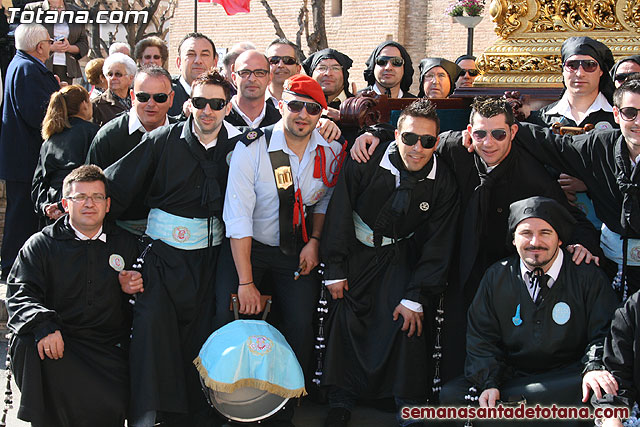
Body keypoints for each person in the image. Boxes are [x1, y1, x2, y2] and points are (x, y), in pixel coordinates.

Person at [350, 96, 602, 384]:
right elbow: (413, 138)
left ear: (513, 133)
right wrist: (374, 132)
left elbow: (565, 217)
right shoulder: (453, 146)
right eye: (480, 133)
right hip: (454, 262)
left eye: (498, 134)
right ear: (469, 132)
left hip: (506, 271)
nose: (488, 143)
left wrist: (584, 244)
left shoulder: (532, 175)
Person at [104, 69, 241, 427]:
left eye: (216, 103)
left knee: (202, 337)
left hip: (211, 260)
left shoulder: (242, 145)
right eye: (199, 102)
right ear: (188, 104)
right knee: (151, 335)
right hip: (162, 259)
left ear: (228, 107)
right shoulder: (162, 140)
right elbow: (114, 186)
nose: (207, 111)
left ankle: (198, 416)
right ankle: (146, 417)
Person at [320, 98, 459, 427]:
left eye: (427, 141)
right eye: (410, 138)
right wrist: (336, 267)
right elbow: (340, 209)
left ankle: (406, 401)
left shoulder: (444, 182)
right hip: (356, 250)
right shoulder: (366, 159)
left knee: (407, 318)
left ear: (436, 143)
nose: (417, 148)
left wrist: (417, 294)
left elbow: (440, 242)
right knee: (346, 317)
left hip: (399, 255)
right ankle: (340, 399)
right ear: (396, 135)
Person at [222, 74, 347, 425]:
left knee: (299, 326)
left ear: (322, 113)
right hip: (250, 248)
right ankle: (234, 405)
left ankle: (284, 407)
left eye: (312, 108)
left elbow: (325, 201)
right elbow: (239, 218)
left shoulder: (331, 150)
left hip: (296, 249)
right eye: (295, 105)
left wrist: (315, 242)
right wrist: (246, 282)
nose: (302, 114)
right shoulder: (253, 147)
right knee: (234, 320)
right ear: (281, 105)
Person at [439, 196, 618, 427]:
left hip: (569, 376)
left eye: (545, 232)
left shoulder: (586, 276)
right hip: (512, 377)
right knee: (452, 396)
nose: (535, 242)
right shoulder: (496, 277)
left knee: (599, 388)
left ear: (560, 238)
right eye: (525, 233)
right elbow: (481, 337)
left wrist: (593, 366)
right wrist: (489, 381)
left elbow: (605, 331)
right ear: (513, 239)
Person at [7, 164, 143, 427]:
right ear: (66, 204)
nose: (89, 204)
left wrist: (135, 287)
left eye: (97, 197)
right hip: (60, 344)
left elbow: (148, 299)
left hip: (107, 352)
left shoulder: (127, 244)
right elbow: (20, 292)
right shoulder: (41, 245)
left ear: (108, 204)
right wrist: (44, 325)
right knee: (26, 339)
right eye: (80, 197)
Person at [509, 79, 640, 298]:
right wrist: (501, 128)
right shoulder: (599, 145)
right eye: (630, 112)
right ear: (616, 115)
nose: (637, 121)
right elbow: (552, 145)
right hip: (613, 264)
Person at [0, 24, 60, 281]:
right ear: (39, 46)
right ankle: (14, 268)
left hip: (21, 158)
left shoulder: (22, 65)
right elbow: (38, 114)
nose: (51, 45)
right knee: (21, 217)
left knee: (20, 214)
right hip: (25, 159)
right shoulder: (28, 70)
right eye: (49, 41)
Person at [87, 65, 177, 236]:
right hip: (118, 233)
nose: (151, 104)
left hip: (170, 236)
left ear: (171, 98)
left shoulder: (180, 134)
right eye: (143, 97)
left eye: (159, 97)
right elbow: (91, 188)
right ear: (132, 97)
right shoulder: (109, 136)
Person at [32, 85, 97, 227]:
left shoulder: (50, 138)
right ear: (84, 104)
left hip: (52, 203)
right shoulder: (93, 133)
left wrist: (46, 207)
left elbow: (39, 181)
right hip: (81, 203)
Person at [23, 0, 89, 85]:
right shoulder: (33, 9)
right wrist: (50, 47)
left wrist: (68, 48)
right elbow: (26, 39)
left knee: (63, 97)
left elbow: (83, 44)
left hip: (66, 69)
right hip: (40, 66)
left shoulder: (77, 12)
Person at [226, 49, 281, 129]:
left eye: (260, 73)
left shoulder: (280, 122)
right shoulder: (219, 119)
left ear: (270, 78)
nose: (252, 79)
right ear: (234, 78)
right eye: (245, 72)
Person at [168, 32, 218, 116]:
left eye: (204, 55)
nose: (198, 60)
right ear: (179, 62)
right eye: (191, 54)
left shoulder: (223, 96)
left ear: (215, 62)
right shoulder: (164, 96)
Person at [303, 47, 354, 113]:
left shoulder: (359, 108)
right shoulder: (299, 106)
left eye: (335, 68)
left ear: (344, 75)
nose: (328, 73)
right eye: (322, 68)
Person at [92, 52, 136, 127]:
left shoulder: (139, 101)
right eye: (110, 74)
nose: (113, 78)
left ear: (130, 78)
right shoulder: (97, 105)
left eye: (118, 74)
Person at [265, 38, 301, 106]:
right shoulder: (253, 100)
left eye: (288, 60)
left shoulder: (308, 105)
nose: (281, 65)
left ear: (298, 69)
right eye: (274, 60)